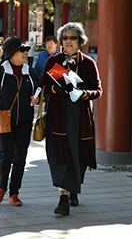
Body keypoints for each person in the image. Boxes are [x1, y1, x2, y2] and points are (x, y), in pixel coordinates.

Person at [40, 22, 102, 216]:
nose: (68, 41)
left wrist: (85, 94)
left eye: (72, 37)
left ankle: (74, 188)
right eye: (65, 38)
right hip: (58, 118)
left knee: (79, 155)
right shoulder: (54, 62)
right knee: (60, 157)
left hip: (80, 118)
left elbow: (98, 90)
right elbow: (43, 87)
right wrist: (55, 89)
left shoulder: (88, 63)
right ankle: (63, 197)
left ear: (80, 40)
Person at [0, 37, 40, 207]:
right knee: (6, 154)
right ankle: (1, 187)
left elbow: (38, 90)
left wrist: (36, 99)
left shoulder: (30, 72)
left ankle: (14, 192)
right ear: (11, 54)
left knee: (20, 157)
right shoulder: (2, 69)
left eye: (26, 50)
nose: (25, 53)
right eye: (22, 50)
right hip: (4, 119)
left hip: (25, 120)